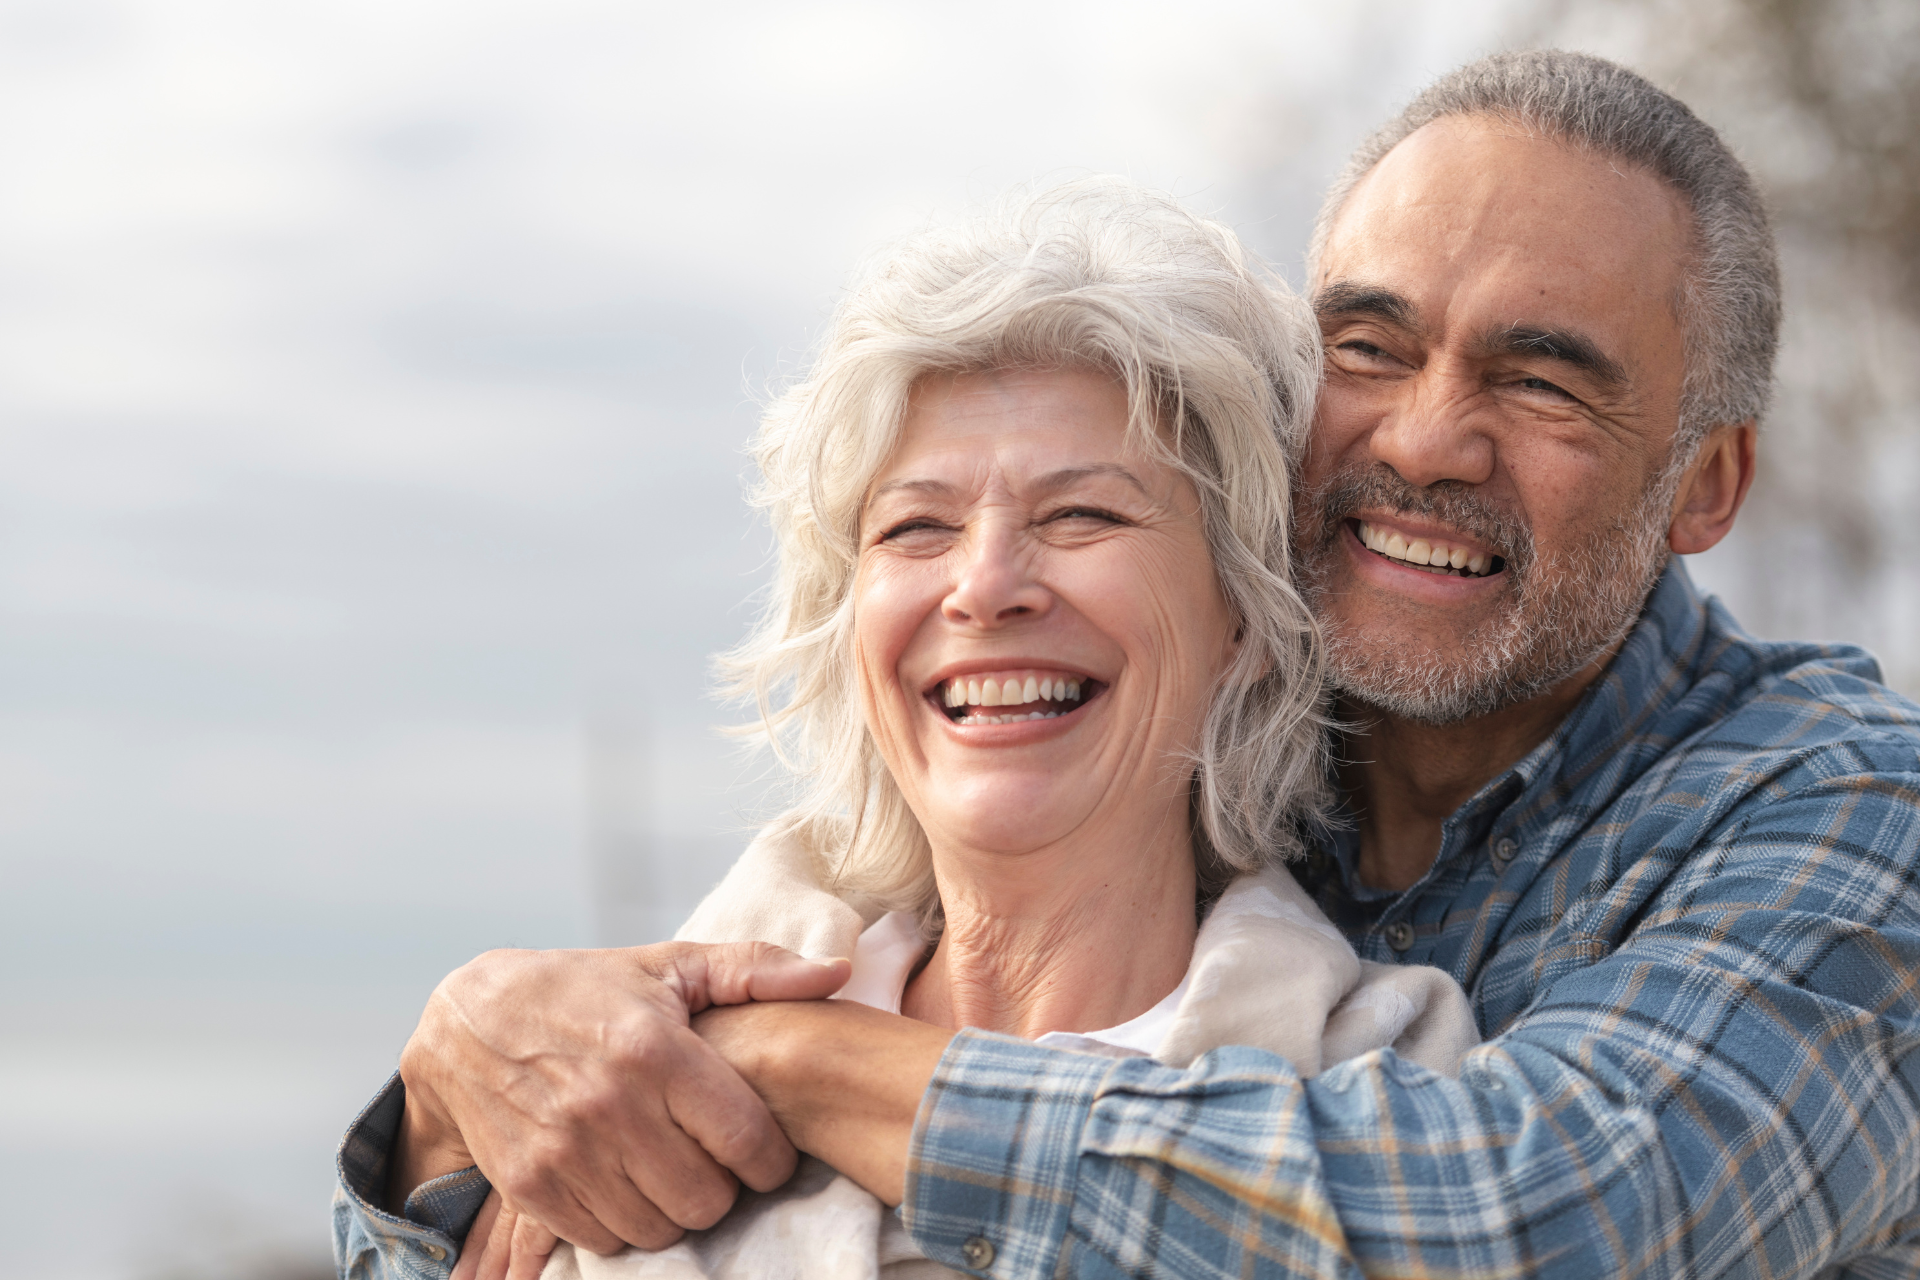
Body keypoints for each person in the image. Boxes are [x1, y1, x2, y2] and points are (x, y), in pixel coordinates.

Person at [341, 49, 1920, 1279]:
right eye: (1367, 349)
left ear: (1707, 483)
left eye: (1543, 381)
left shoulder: (1845, 812)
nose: (1427, 437)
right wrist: (449, 1080)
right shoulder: (1124, 773)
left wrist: (789, 1064)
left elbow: (1546, 1225)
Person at [337, 180, 1479, 1280]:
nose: (985, 586)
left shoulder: (1386, 1080)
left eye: (1080, 513)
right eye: (915, 526)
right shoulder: (614, 1079)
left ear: (1246, 615)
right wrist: (436, 1110)